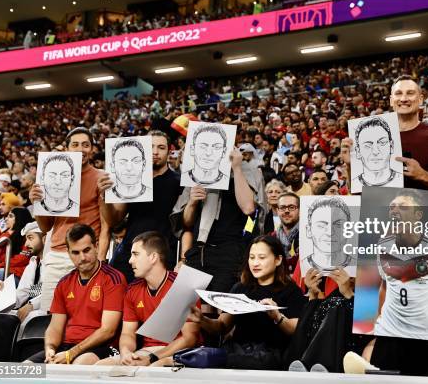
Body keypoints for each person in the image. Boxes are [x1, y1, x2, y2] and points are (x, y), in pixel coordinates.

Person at [188, 236, 307, 370]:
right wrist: (202, 320)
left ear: (278, 260)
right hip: (237, 352)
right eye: (252, 257)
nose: (255, 263)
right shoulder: (240, 288)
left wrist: (277, 317)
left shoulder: (290, 290)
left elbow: (294, 329)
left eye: (261, 258)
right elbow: (222, 326)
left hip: (271, 356)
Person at [369, 191, 428, 342]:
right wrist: (378, 322)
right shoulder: (383, 244)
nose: (395, 210)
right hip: (386, 330)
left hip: (427, 337)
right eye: (392, 207)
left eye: (403, 207)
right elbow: (385, 285)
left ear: (418, 215)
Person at [29, 127, 108, 310]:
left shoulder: (101, 178)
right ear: (67, 149)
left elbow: (106, 226)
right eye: (75, 145)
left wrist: (101, 259)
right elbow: (45, 227)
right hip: (57, 254)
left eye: (86, 145)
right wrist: (37, 204)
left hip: (87, 254)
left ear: (92, 149)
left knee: (84, 316)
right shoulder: (50, 178)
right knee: (50, 313)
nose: (81, 149)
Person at [95, 232, 200, 367]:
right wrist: (126, 352)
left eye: (136, 254)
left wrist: (151, 358)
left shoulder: (182, 285)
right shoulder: (133, 289)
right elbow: (127, 333)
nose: (130, 260)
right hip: (148, 351)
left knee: (154, 368)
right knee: (101, 366)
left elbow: (189, 338)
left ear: (153, 257)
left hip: (180, 352)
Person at [26, 224, 126, 364]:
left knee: (79, 364)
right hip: (67, 347)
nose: (83, 257)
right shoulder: (64, 283)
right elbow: (55, 327)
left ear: (96, 246)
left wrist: (71, 353)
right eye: (76, 252)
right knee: (26, 368)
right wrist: (50, 349)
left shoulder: (113, 278)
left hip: (102, 347)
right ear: (68, 252)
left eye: (86, 250)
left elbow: (108, 330)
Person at [99, 131, 182, 282]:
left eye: (161, 147)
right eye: (151, 147)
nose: (155, 152)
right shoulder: (131, 178)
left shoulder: (178, 182)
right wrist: (105, 197)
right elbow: (114, 220)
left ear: (169, 151)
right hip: (129, 252)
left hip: (160, 255)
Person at [175, 146, 259, 292]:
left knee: (221, 307)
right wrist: (192, 201)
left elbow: (248, 208)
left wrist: (237, 168)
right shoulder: (196, 174)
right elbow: (187, 222)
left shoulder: (246, 170)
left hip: (229, 254)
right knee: (194, 308)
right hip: (198, 252)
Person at [0, 221, 45, 322]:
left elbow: (52, 291)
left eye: (30, 238)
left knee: (31, 317)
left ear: (44, 238)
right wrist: (2, 293)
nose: (26, 244)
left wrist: (32, 305)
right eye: (26, 239)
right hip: (34, 307)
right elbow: (25, 291)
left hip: (47, 311)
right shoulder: (34, 262)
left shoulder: (53, 263)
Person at [301, 197, 353, 274]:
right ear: (309, 231)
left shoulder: (361, 269)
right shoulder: (301, 266)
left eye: (338, 225)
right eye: (321, 226)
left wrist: (346, 286)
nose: (330, 232)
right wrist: (309, 286)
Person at [351, 116, 404, 191]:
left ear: (391, 146)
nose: (375, 151)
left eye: (382, 143)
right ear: (358, 151)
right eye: (367, 145)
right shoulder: (352, 185)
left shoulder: (404, 181)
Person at [272, 192, 300, 274]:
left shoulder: (309, 236)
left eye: (291, 207)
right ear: (277, 211)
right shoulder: (271, 238)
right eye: (283, 207)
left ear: (300, 210)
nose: (287, 211)